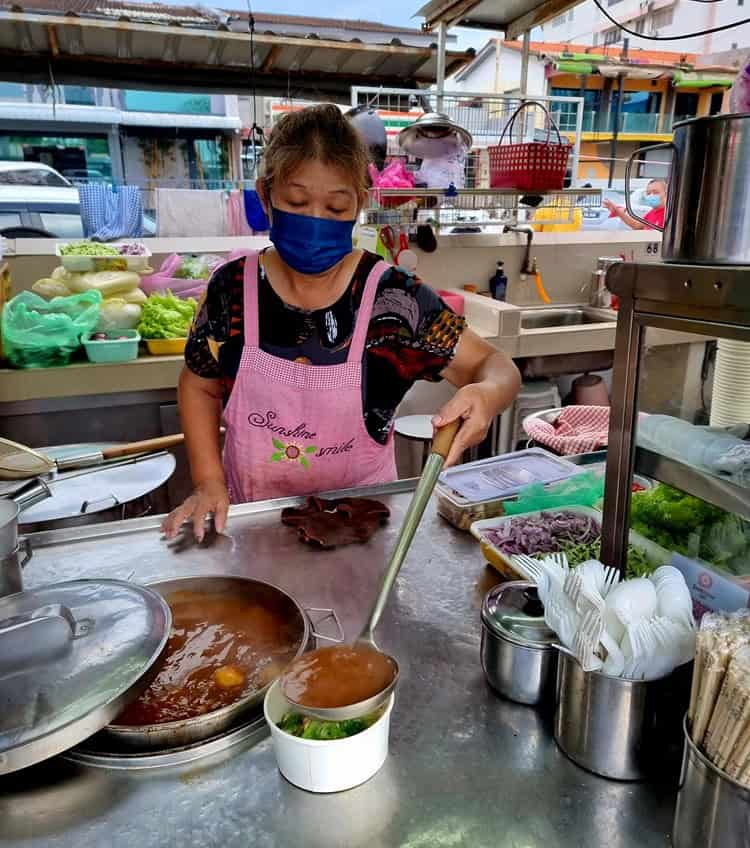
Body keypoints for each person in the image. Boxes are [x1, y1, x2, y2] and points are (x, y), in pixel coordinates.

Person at [163, 105, 521, 539]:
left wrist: (486, 392)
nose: (315, 219)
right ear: (264, 195)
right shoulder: (231, 290)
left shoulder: (395, 299)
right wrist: (208, 482)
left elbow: (496, 367)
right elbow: (199, 382)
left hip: (364, 535)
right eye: (296, 202)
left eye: (336, 207)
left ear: (360, 204)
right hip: (255, 530)